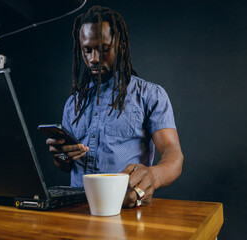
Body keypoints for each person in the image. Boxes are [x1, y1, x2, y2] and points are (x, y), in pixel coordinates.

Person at [46, 5, 183, 208]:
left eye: (103, 49)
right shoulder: (73, 104)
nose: (93, 58)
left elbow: (174, 155)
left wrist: (154, 175)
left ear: (121, 46)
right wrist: (61, 156)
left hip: (125, 207)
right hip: (78, 210)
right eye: (87, 50)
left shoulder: (150, 95)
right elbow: (65, 166)